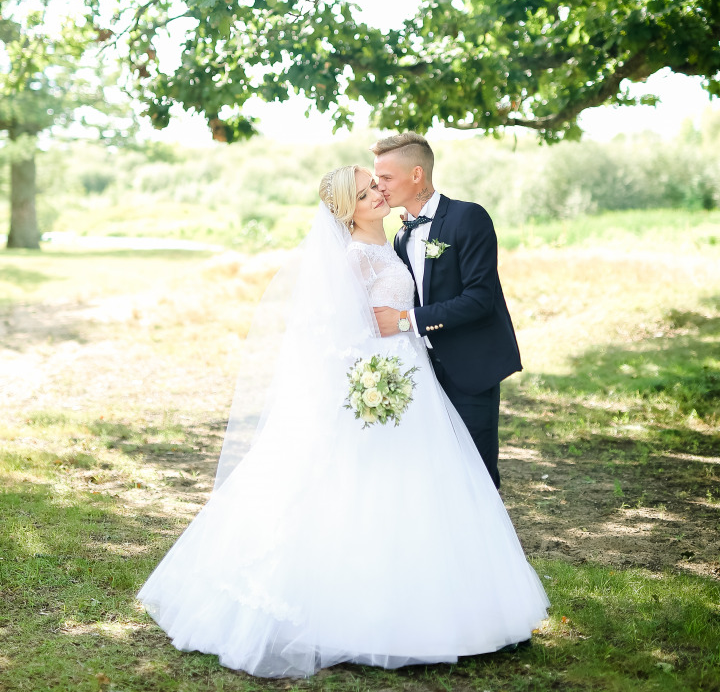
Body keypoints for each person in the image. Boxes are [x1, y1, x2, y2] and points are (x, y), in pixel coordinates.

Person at [137, 165, 548, 677]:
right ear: (345, 209)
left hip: (412, 380)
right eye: (365, 191)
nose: (377, 192)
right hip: (381, 383)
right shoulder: (353, 257)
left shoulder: (395, 241)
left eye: (376, 185)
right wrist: (367, 381)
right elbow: (328, 332)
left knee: (423, 486)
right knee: (366, 490)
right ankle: (360, 617)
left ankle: (443, 607)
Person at [372, 132, 520, 489]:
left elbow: (479, 299)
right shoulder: (401, 234)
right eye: (377, 180)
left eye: (386, 178)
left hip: (470, 368)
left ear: (417, 175)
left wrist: (407, 321)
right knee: (437, 472)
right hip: (422, 372)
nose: (380, 187)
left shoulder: (468, 217)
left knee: (478, 473)